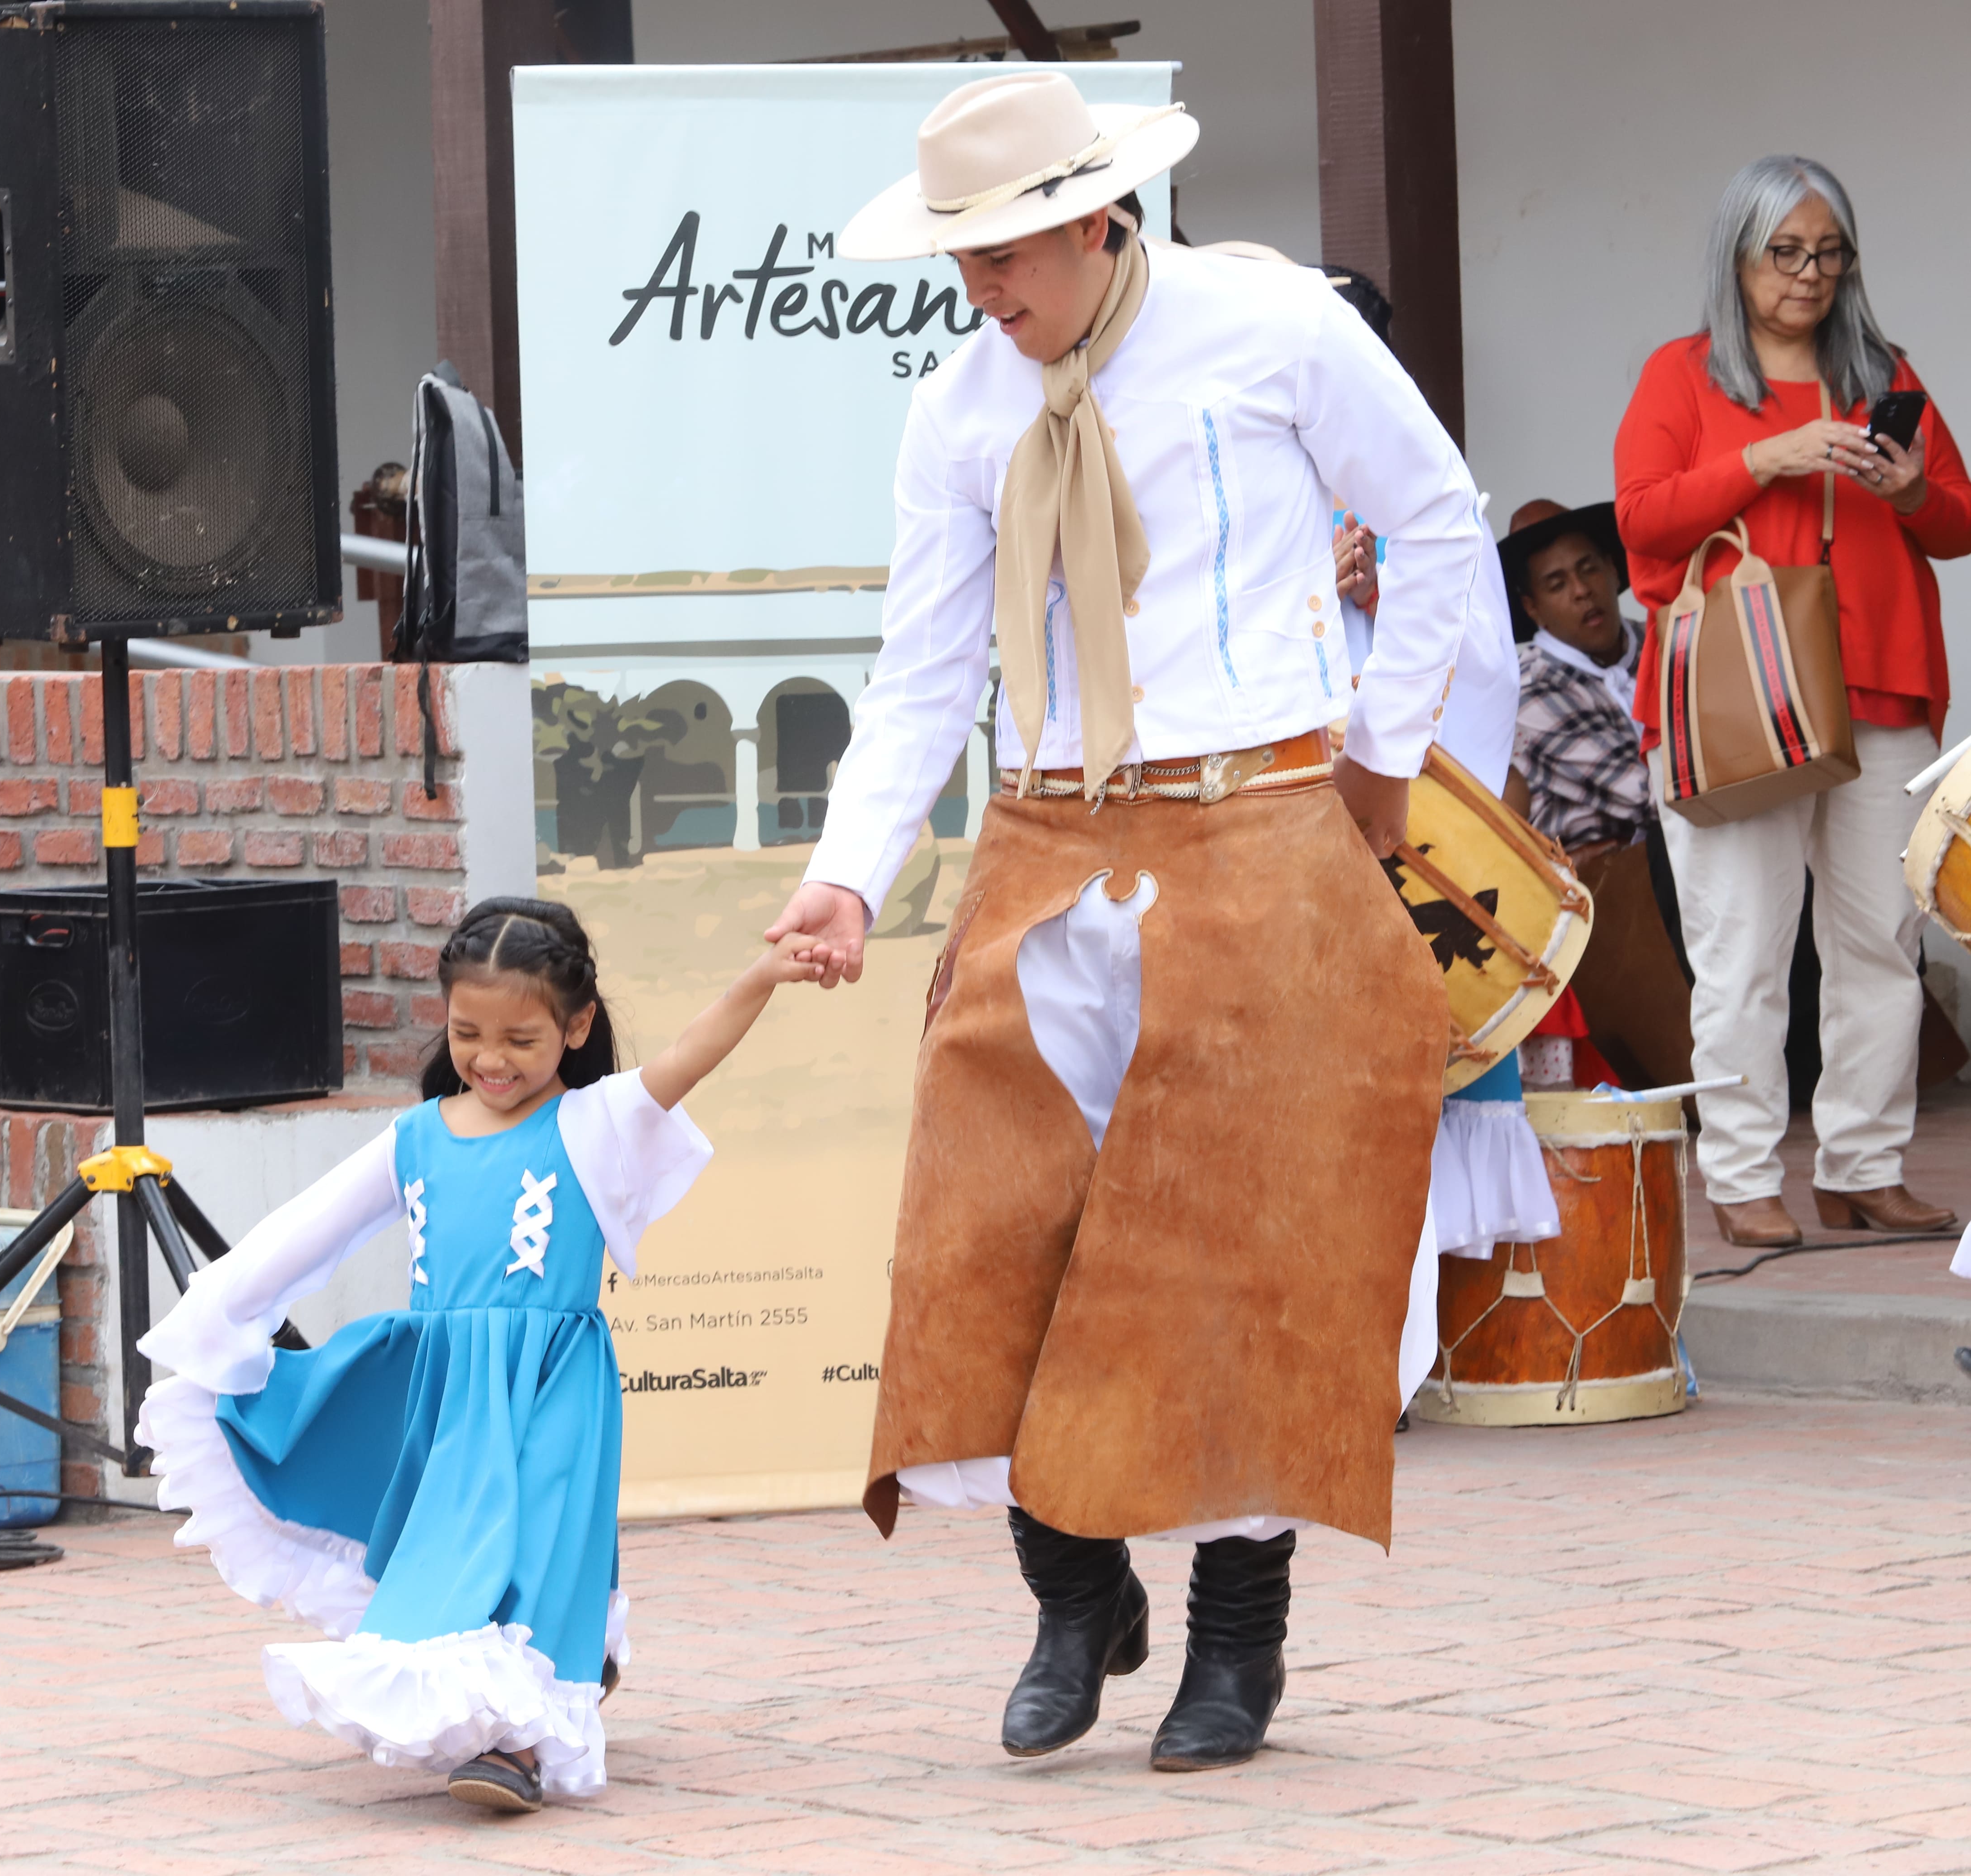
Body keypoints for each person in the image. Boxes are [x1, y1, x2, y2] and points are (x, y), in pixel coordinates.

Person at [766, 73, 1491, 1772]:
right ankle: (1070, 1582)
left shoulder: (1270, 328)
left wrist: (1382, 763)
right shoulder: (958, 410)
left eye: (1007, 254)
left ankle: (1240, 1642)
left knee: (1250, 1251)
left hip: (1255, 822)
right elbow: (927, 670)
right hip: (1043, 837)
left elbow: (1440, 516)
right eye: (962, 263)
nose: (983, 293)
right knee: (985, 1227)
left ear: (1097, 222)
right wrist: (849, 869)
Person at [133, 900, 817, 1812]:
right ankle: (544, 1685)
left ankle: (518, 1744)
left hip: (555, 1386)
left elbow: (689, 1057)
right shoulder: (417, 1137)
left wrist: (761, 978)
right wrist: (219, 1326)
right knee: (461, 1552)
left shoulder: (595, 1123)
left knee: (539, 1539)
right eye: (468, 1033)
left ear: (576, 1028)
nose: (491, 1059)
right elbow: (304, 1233)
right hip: (449, 1396)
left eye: (521, 1038)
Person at [1613, 154, 1971, 1248]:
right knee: (1745, 948)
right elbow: (1643, 521)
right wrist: (1767, 457)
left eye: (1829, 252)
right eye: (1787, 252)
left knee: (1882, 943)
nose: (1810, 274)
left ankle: (1861, 1167)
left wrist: (1908, 490)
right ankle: (1742, 1177)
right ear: (1740, 256)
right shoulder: (1684, 376)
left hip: (1880, 689)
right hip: (1743, 700)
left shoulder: (1883, 369)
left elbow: (1958, 521)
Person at [1497, 499, 1695, 1091]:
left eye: (1589, 569)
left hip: (1693, 847)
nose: (1583, 592)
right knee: (1680, 847)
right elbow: (1645, 796)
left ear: (1614, 571)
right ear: (1532, 607)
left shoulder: (1665, 641)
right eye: (1558, 584)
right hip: (1615, 896)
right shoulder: (1528, 685)